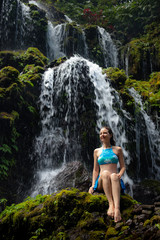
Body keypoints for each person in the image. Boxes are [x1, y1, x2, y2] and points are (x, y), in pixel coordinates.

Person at [88, 126, 126, 223]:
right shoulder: (96, 151)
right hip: (102, 181)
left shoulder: (118, 149)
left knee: (113, 175)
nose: (102, 135)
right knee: (104, 173)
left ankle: (117, 209)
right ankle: (111, 205)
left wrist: (119, 175)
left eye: (105, 133)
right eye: (100, 133)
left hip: (114, 180)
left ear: (110, 135)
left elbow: (123, 167)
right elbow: (95, 170)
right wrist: (92, 185)